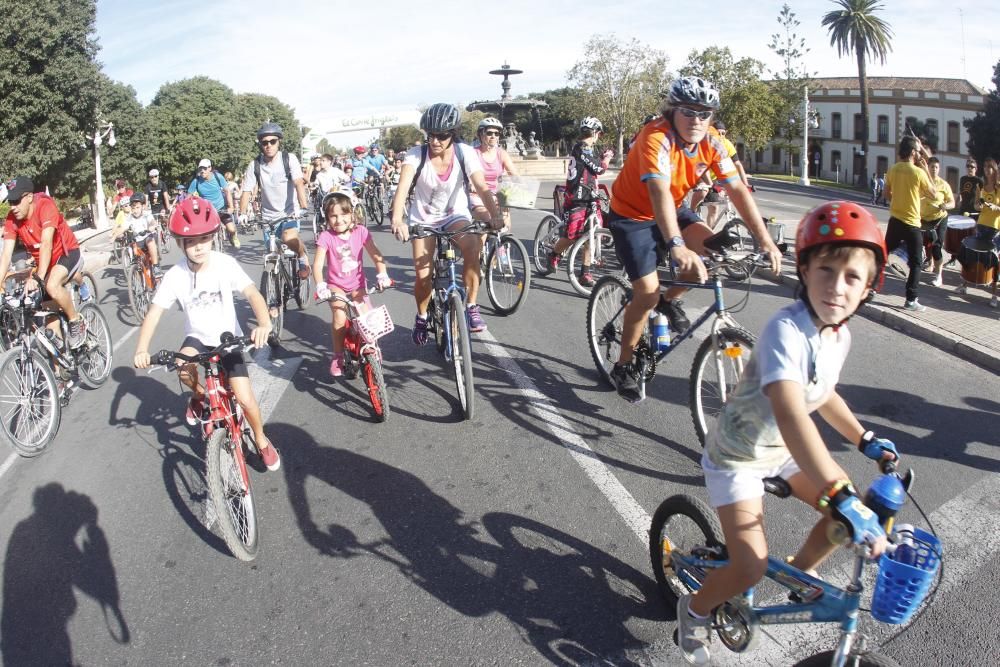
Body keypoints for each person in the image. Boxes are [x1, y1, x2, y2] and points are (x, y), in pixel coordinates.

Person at [676, 201, 895, 665]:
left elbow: (824, 394)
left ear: (868, 287)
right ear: (805, 270)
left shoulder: (838, 335)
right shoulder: (786, 329)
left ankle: (798, 575)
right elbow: (794, 413)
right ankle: (693, 611)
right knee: (751, 566)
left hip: (780, 452)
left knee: (841, 516)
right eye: (826, 270)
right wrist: (838, 489)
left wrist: (864, 438)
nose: (837, 287)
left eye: (852, 276)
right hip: (737, 456)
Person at [607, 76, 782, 402]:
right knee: (645, 293)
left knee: (715, 252)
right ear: (672, 111)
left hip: (673, 209)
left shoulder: (713, 141)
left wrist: (766, 240)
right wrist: (675, 245)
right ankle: (624, 364)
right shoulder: (655, 137)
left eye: (705, 114)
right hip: (631, 216)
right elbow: (657, 190)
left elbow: (738, 190)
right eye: (688, 112)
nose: (697, 121)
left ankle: (669, 300)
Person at [131, 198, 280, 471]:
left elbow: (252, 294)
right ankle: (199, 396)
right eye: (190, 241)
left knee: (245, 399)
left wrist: (263, 324)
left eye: (204, 239)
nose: (198, 246)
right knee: (182, 367)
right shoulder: (175, 275)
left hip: (228, 339)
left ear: (213, 237)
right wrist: (142, 349)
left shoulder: (225, 264)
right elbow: (154, 313)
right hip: (198, 338)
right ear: (180, 243)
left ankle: (260, 439)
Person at [389, 102, 503, 338]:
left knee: (473, 247)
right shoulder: (415, 156)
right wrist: (397, 219)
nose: (434, 141)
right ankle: (421, 317)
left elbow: (481, 187)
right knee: (422, 276)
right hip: (424, 220)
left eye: (441, 136)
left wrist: (496, 215)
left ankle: (471, 306)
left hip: (455, 215)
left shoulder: (465, 153)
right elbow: (402, 189)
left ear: (453, 134)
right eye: (430, 135)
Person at [0, 176, 88, 347]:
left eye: (17, 201)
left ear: (29, 197)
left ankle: (75, 321)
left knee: (51, 285)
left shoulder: (45, 206)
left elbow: (46, 243)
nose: (13, 207)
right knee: (48, 316)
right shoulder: (12, 219)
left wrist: (39, 277)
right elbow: (6, 255)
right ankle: (61, 366)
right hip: (45, 263)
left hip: (66, 252)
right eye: (10, 202)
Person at [313, 191, 391, 376]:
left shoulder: (361, 232)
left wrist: (383, 274)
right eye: (333, 215)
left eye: (343, 214)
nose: (339, 220)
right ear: (327, 218)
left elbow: (376, 255)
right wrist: (320, 285)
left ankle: (371, 346)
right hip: (336, 285)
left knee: (368, 318)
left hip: (357, 284)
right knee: (339, 317)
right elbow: (317, 265)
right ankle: (338, 355)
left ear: (352, 214)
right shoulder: (326, 237)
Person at [546, 117, 613, 287]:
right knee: (571, 236)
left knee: (592, 233)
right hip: (576, 199)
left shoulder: (588, 149)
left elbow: (591, 171)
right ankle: (554, 254)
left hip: (591, 198)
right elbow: (599, 168)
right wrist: (607, 159)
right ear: (596, 133)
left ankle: (585, 272)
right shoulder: (581, 148)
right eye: (599, 133)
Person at [238, 122, 311, 279]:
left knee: (289, 238)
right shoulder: (255, 165)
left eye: (273, 141)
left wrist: (303, 207)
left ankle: (302, 257)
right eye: (264, 142)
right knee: (273, 253)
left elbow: (298, 182)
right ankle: (276, 295)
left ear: (279, 142)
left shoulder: (289, 159)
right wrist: (242, 213)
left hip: (289, 213)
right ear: (260, 144)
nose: (269, 145)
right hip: (268, 218)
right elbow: (246, 190)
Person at [883, 136, 937, 312]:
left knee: (882, 255)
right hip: (912, 224)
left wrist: (899, 200)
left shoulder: (893, 169)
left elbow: (886, 194)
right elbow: (934, 194)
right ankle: (911, 300)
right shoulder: (918, 172)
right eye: (917, 151)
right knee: (916, 262)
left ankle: (868, 286)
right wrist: (926, 170)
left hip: (895, 221)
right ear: (913, 152)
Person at [958, 157, 1000, 306]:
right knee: (971, 254)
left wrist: (996, 208)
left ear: (995, 170)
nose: (988, 171)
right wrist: (979, 207)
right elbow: (976, 205)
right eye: (986, 168)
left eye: (990, 168)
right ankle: (964, 285)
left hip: (995, 228)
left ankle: (994, 295)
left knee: (993, 261)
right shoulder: (981, 188)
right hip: (981, 225)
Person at [469, 117, 519, 230]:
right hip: (478, 195)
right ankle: (480, 247)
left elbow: (514, 174)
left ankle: (503, 245)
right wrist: (470, 183)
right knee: (487, 219)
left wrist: (520, 184)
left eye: (497, 134)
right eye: (489, 133)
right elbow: (466, 174)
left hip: (498, 194)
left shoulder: (502, 154)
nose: (493, 136)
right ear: (481, 134)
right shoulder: (472, 154)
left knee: (505, 223)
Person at [918, 157, 955, 288]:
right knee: (917, 244)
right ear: (927, 167)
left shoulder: (944, 185)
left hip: (939, 219)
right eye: (932, 166)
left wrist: (945, 205)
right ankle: (915, 270)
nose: (934, 169)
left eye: (936, 167)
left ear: (939, 169)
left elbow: (952, 203)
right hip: (923, 218)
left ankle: (938, 276)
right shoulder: (922, 182)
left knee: (936, 247)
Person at [188, 159, 240, 249]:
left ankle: (232, 236)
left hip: (221, 207)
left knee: (231, 229)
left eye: (204, 168)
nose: (202, 171)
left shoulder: (218, 177)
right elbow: (187, 198)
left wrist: (231, 207)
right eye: (200, 168)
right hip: (207, 211)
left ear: (210, 168)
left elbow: (227, 191)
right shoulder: (196, 181)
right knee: (205, 234)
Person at [112, 192, 163, 277]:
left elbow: (152, 222)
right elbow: (123, 227)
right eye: (133, 208)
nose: (135, 210)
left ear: (143, 207)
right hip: (138, 240)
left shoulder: (146, 214)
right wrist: (114, 236)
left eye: (138, 207)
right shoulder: (129, 218)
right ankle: (136, 268)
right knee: (131, 247)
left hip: (148, 236)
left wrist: (151, 226)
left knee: (150, 242)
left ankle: (156, 267)